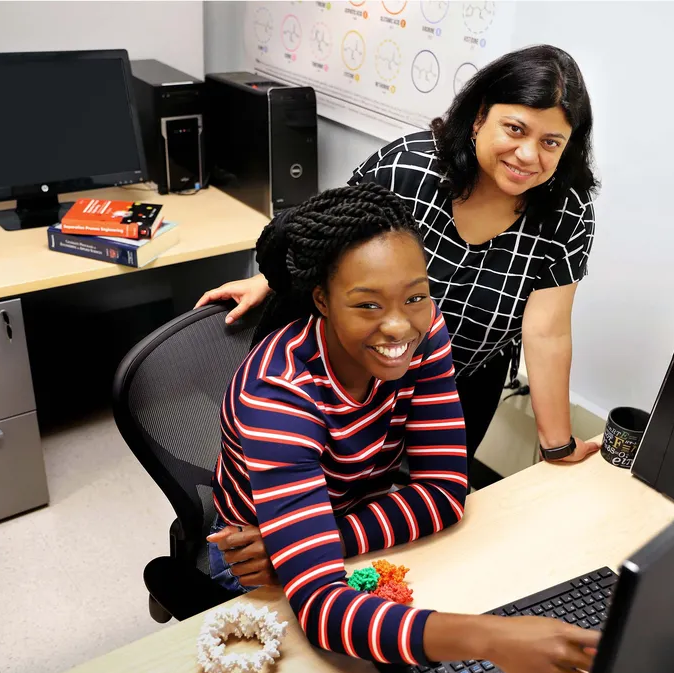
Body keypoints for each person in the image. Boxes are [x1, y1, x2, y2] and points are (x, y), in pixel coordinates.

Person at [205, 183, 600, 673]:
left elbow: (443, 492)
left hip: (308, 542)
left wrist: (315, 544)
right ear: (321, 300)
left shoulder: (424, 329)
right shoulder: (277, 397)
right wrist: (490, 638)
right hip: (253, 558)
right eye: (367, 304)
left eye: (415, 295)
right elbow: (323, 607)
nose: (400, 326)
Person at [197, 45, 601, 466]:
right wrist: (269, 278)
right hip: (350, 375)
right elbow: (331, 238)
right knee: (320, 495)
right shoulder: (410, 167)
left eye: (551, 142)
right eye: (515, 129)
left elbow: (547, 333)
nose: (529, 156)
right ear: (480, 117)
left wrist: (557, 447)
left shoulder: (566, 212)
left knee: (436, 506)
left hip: (455, 387)